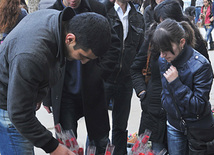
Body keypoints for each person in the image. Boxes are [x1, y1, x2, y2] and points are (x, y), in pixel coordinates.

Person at [0, 7, 112, 155]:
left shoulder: (58, 22)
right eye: (83, 56)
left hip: (15, 91)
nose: (84, 62)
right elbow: (19, 114)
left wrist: (37, 94)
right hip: (7, 106)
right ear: (70, 39)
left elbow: (49, 66)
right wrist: (53, 147)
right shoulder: (31, 55)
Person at [43, 0, 120, 154]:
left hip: (92, 89)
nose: (72, 1)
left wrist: (100, 73)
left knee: (101, 140)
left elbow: (113, 45)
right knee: (66, 143)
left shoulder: (96, 8)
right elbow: (46, 58)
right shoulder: (52, 14)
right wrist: (46, 95)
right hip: (63, 92)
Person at [152, 18, 214, 154]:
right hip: (173, 124)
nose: (163, 55)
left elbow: (198, 105)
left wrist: (176, 83)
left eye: (167, 50)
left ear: (182, 42)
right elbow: (165, 91)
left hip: (197, 127)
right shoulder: (163, 60)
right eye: (160, 51)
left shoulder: (200, 65)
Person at [104, 1, 144, 154]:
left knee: (120, 127)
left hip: (126, 80)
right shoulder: (104, 12)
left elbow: (140, 50)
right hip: (104, 78)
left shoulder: (138, 17)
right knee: (99, 126)